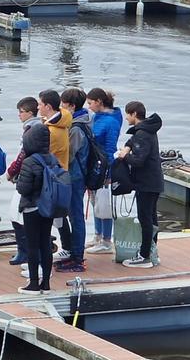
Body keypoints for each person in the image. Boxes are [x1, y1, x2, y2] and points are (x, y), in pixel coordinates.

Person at [116, 101, 163, 268]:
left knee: (145, 218)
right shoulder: (148, 130)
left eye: (128, 114)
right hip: (154, 180)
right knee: (151, 217)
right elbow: (134, 141)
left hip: (146, 182)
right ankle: (152, 250)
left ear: (134, 114)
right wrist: (129, 146)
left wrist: (123, 156)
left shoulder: (142, 134)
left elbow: (138, 160)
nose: (126, 118)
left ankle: (144, 257)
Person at [15, 122, 54, 294]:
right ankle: (46, 283)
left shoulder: (30, 161)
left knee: (32, 245)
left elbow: (23, 188)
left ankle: (33, 283)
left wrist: (18, 182)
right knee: (45, 243)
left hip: (32, 207)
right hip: (49, 207)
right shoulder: (52, 158)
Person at [57, 88, 91, 273]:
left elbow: (68, 154)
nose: (61, 108)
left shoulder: (77, 127)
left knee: (76, 217)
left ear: (71, 106)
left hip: (75, 177)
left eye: (63, 104)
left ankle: (77, 258)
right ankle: (72, 252)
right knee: (72, 215)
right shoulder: (82, 121)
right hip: (75, 176)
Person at [85, 88, 122, 254]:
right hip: (94, 165)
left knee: (104, 203)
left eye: (90, 103)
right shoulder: (97, 117)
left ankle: (107, 241)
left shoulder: (112, 121)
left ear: (99, 102)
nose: (89, 106)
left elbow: (109, 147)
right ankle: (98, 235)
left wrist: (107, 172)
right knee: (95, 202)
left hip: (104, 166)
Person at [4, 97, 41, 266]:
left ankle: (25, 252)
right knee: (20, 214)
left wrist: (12, 171)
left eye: (21, 111)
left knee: (17, 214)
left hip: (26, 177)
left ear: (30, 112)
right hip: (30, 176)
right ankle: (26, 251)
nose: (19, 115)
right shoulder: (38, 126)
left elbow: (23, 154)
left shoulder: (31, 129)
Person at [38, 89, 74, 259]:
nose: (38, 107)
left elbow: (41, 154)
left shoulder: (52, 131)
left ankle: (66, 247)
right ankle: (67, 246)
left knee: (56, 215)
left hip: (54, 177)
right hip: (60, 174)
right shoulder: (59, 122)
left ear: (48, 106)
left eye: (40, 104)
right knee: (58, 215)